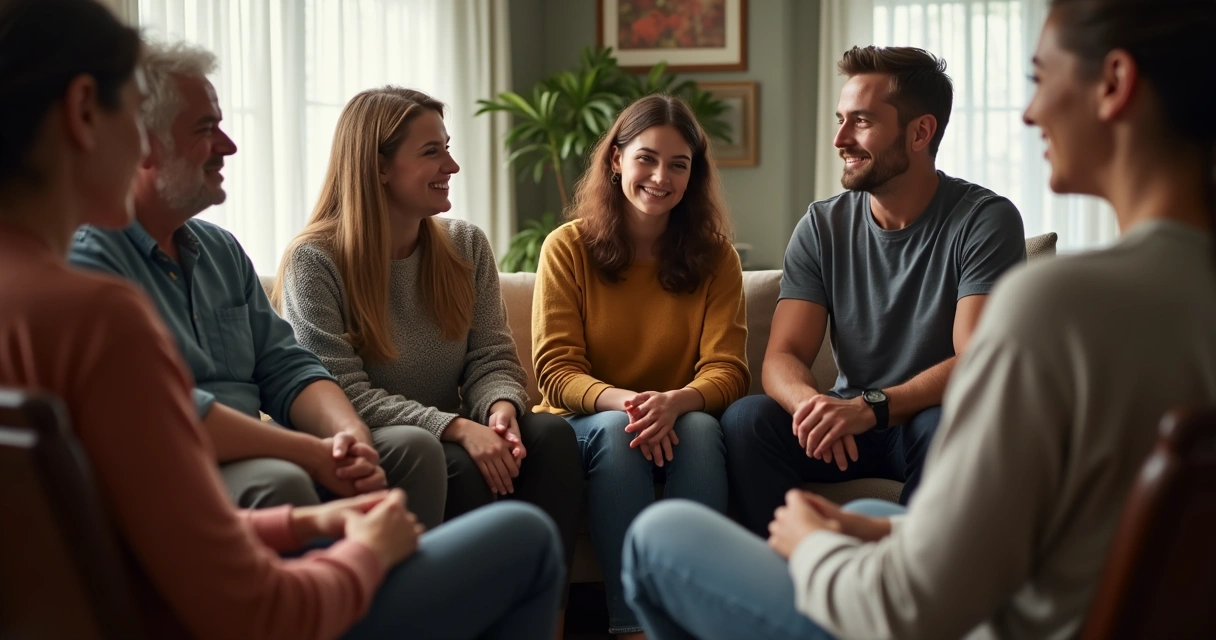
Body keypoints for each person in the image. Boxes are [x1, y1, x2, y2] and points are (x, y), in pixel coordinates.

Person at [619, 0, 1216, 638]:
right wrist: (871, 520)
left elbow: (916, 605)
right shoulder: (1169, 299)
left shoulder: (1056, 302)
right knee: (795, 450)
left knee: (658, 535)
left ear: (1115, 83)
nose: (1029, 111)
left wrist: (810, 541)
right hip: (994, 580)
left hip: (940, 612)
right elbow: (1035, 529)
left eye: (1040, 78)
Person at [0, 1, 564, 639]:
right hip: (241, 617)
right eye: (131, 115)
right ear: (81, 113)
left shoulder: (40, 300)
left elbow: (147, 524)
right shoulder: (97, 314)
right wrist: (367, 551)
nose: (230, 144)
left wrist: (306, 523)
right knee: (526, 538)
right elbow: (259, 611)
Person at [68, 40, 447, 527]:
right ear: (145, 145)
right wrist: (309, 454)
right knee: (279, 481)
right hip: (179, 464)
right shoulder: (90, 258)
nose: (229, 146)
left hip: (263, 451)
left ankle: (398, 603)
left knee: (411, 448)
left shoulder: (221, 250)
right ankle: (330, 599)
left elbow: (288, 368)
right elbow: (172, 412)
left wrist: (348, 434)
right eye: (207, 129)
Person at [273, 86, 584, 625]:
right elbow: (338, 392)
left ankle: (543, 624)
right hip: (384, 440)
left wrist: (499, 411)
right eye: (431, 152)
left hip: (453, 427)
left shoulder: (465, 245)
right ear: (379, 168)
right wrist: (456, 428)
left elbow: (490, 357)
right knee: (455, 459)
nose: (453, 164)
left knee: (551, 437)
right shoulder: (314, 260)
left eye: (447, 146)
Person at [722, 46, 1027, 529]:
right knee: (747, 420)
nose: (841, 138)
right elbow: (782, 355)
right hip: (848, 423)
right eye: (841, 119)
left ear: (920, 132)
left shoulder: (984, 220)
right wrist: (815, 408)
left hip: (925, 419)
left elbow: (977, 358)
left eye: (861, 121)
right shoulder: (822, 225)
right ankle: (786, 580)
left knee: (949, 424)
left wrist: (873, 408)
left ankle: (911, 583)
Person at [532, 94, 750, 639]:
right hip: (593, 421)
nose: (661, 176)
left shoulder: (717, 256)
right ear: (616, 161)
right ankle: (632, 627)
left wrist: (674, 403)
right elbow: (556, 370)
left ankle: (692, 620)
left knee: (700, 428)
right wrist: (633, 405)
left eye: (679, 164)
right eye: (647, 158)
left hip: (677, 418)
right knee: (616, 430)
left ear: (693, 175)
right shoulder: (567, 247)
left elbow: (728, 369)